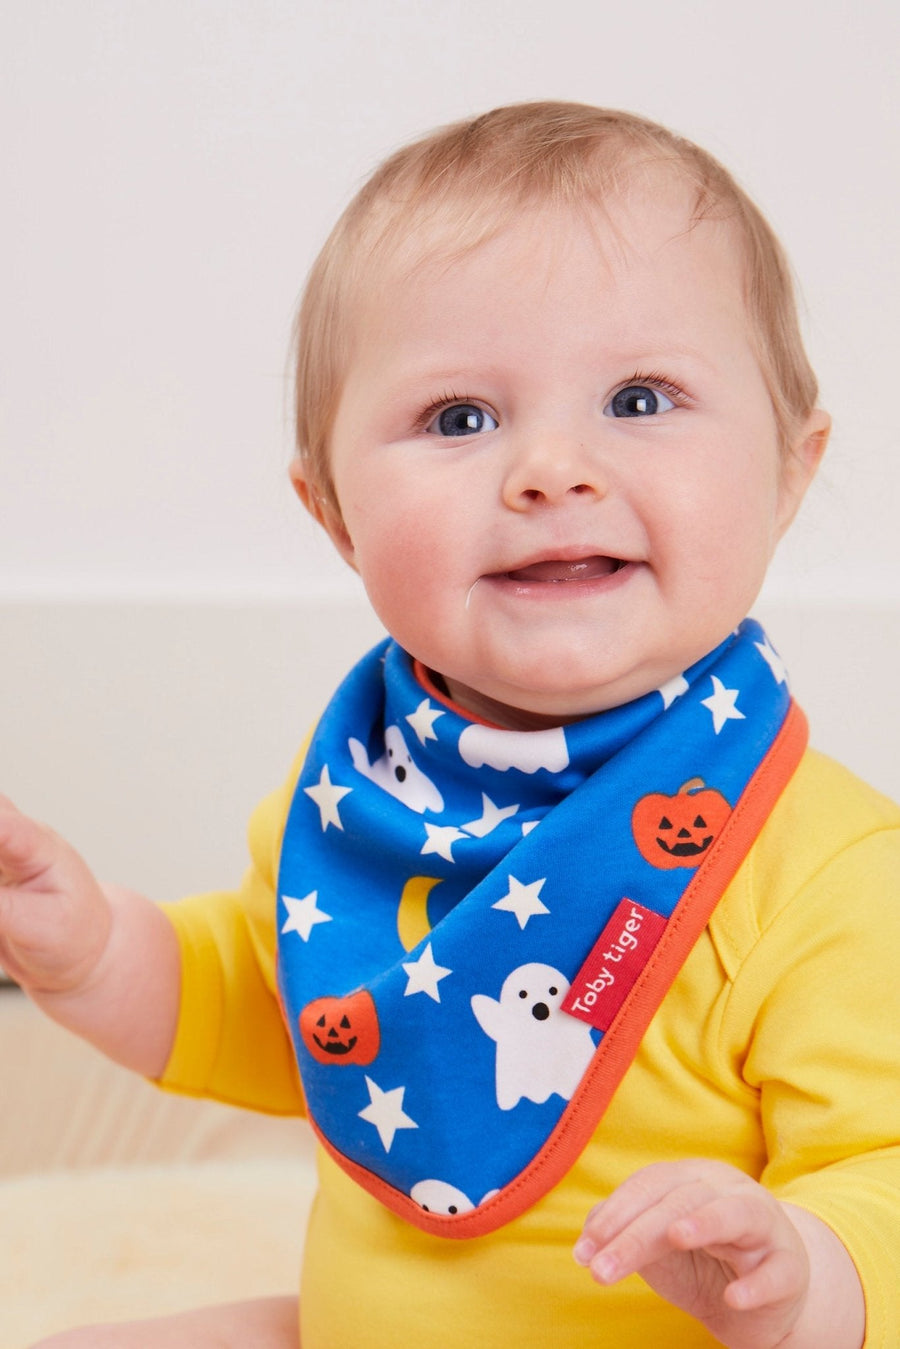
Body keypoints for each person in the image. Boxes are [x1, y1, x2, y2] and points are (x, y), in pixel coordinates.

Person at [1, 102, 898, 1349]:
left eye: (641, 396)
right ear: (333, 515)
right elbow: (299, 1015)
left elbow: (887, 1162)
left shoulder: (827, 872)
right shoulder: (367, 801)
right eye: (460, 420)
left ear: (791, 472)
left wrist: (798, 1267)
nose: (551, 467)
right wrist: (92, 951)